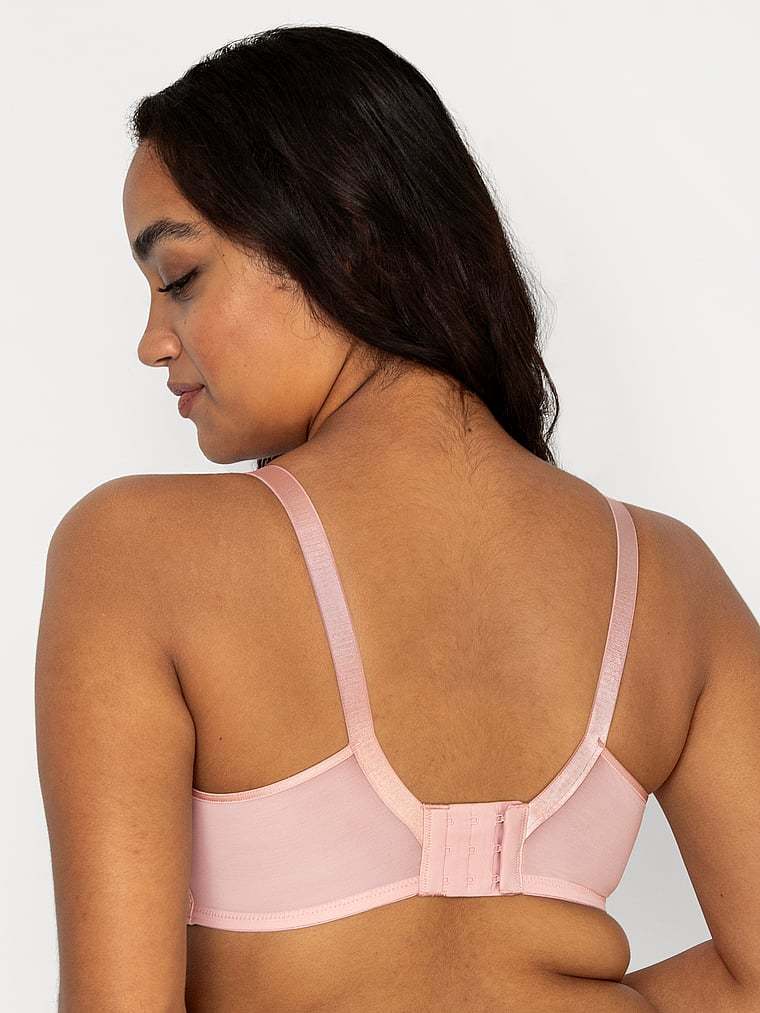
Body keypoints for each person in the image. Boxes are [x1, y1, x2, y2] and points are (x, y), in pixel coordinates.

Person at [35, 25, 760, 1012]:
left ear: (344, 236)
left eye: (179, 278)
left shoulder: (134, 551)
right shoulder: (667, 577)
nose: (153, 340)